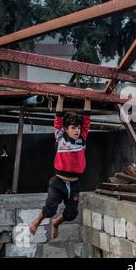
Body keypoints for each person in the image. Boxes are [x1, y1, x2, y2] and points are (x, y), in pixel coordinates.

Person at [29, 89, 92, 239]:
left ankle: (56, 223)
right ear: (66, 129)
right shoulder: (60, 136)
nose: (76, 130)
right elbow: (58, 118)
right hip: (58, 182)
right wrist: (60, 96)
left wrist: (88, 98)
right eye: (73, 128)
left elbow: (87, 119)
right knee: (50, 208)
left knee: (71, 214)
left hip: (75, 183)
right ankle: (36, 222)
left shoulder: (82, 137)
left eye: (78, 127)